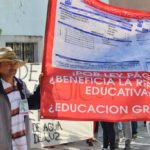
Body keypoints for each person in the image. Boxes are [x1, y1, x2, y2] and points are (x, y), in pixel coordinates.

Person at [0, 47, 40, 150]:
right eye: (9, 63)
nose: (13, 67)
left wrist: (42, 86)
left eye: (15, 64)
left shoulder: (20, 85)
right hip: (4, 143)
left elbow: (33, 104)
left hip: (21, 141)